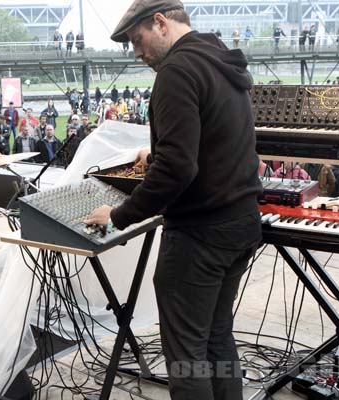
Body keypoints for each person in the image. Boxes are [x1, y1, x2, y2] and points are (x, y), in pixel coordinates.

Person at [85, 2, 262, 399]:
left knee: (187, 356)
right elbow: (211, 138)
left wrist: (118, 215)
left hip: (200, 237)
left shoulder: (177, 72)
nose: (137, 51)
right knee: (217, 338)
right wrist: (158, 152)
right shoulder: (216, 57)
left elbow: (179, 170)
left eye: (137, 39)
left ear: (160, 23)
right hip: (240, 222)